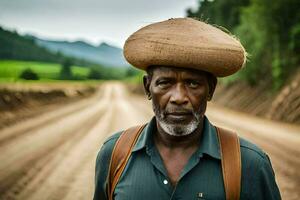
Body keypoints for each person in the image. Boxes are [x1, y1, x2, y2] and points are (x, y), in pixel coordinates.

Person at [93, 18, 281, 200]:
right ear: (147, 87)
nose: (179, 98)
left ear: (211, 90)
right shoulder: (115, 154)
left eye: (192, 83)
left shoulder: (250, 163)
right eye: (165, 83)